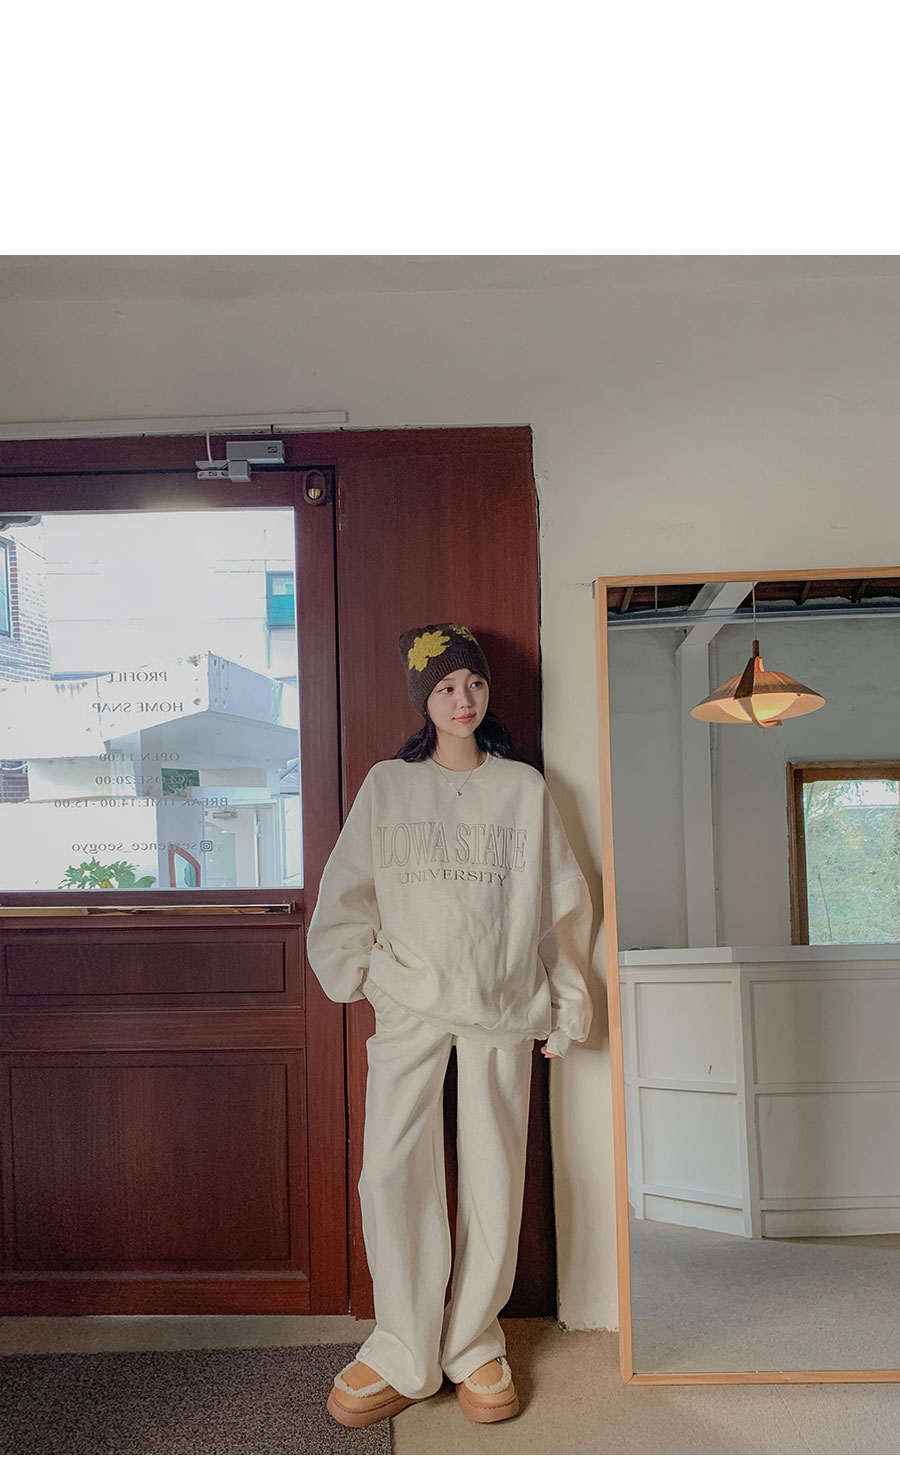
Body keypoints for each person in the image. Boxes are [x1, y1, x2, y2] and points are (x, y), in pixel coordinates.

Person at [305, 622, 594, 1429]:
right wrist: (366, 975)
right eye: (443, 687)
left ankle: (473, 1341)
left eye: (473, 682)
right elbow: (346, 894)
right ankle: (403, 1345)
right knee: (389, 1171)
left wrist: (567, 1006)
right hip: (409, 1002)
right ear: (423, 700)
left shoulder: (523, 790)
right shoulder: (387, 787)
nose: (462, 699)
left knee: (495, 1173)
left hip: (502, 1002)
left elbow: (562, 907)